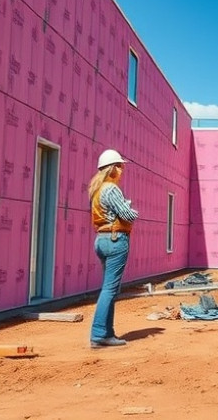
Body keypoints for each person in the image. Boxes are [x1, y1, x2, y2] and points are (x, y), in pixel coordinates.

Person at [88, 149, 138, 348]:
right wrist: (132, 209)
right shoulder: (111, 189)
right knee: (109, 289)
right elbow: (128, 215)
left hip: (102, 238)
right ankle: (99, 333)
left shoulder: (96, 189)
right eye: (119, 166)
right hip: (116, 239)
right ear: (111, 168)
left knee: (109, 288)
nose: (122, 169)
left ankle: (106, 333)